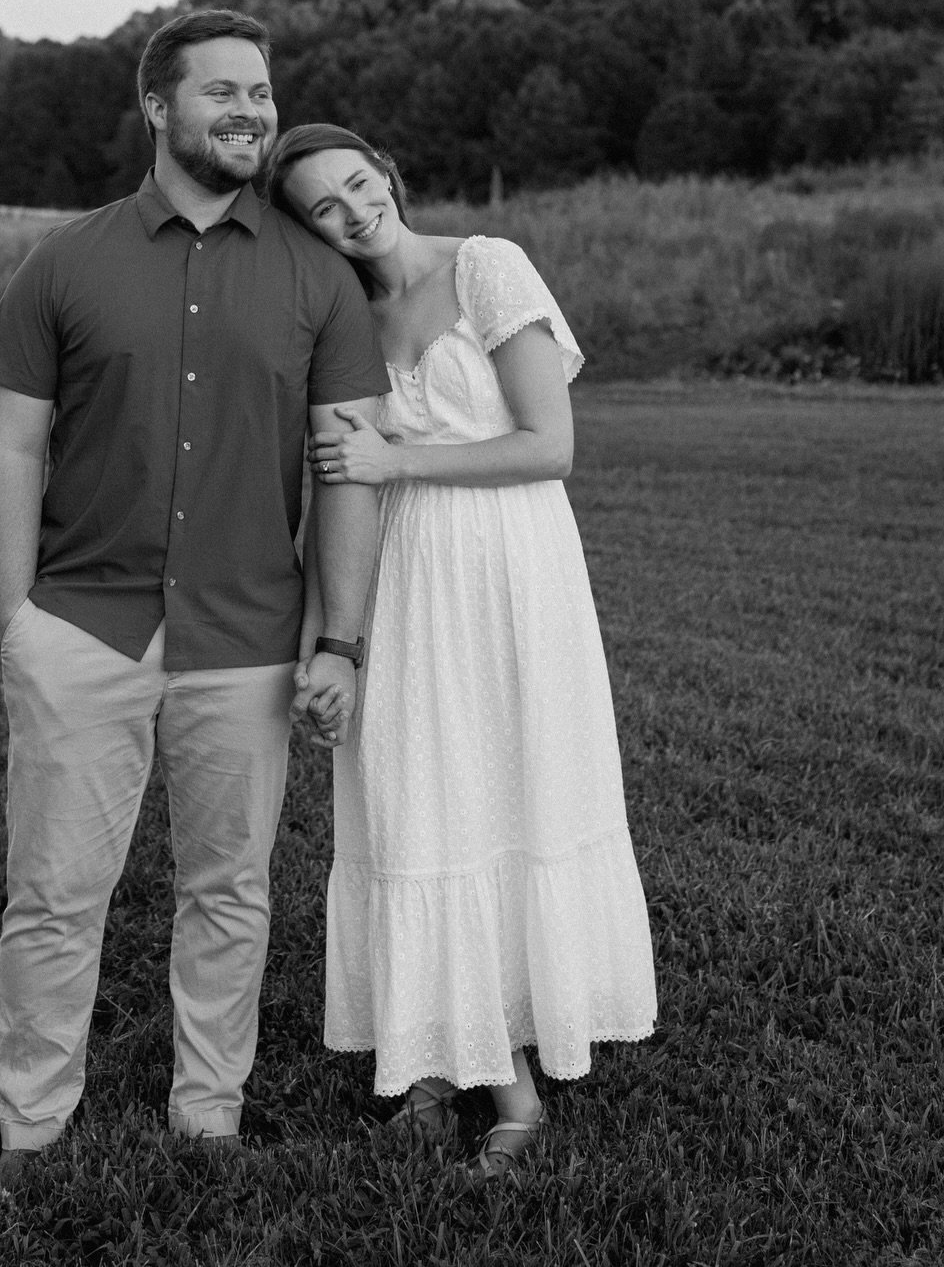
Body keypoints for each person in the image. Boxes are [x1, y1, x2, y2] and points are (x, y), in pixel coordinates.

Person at [0, 13, 390, 1184]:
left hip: (250, 638)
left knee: (230, 891)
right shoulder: (66, 259)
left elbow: (347, 467)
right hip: (82, 628)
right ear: (158, 107)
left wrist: (341, 639)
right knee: (54, 896)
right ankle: (31, 1126)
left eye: (260, 89)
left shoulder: (319, 274)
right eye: (222, 90)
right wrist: (19, 623)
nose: (250, 108)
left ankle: (210, 1116)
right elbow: (10, 449)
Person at [269, 123, 657, 1175]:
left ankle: (509, 1085)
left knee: (503, 795)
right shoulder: (343, 314)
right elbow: (333, 483)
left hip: (507, 568)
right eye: (324, 207)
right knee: (416, 802)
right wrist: (327, 640)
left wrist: (399, 454)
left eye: (360, 184)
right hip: (399, 581)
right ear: (307, 228)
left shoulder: (487, 264)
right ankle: (444, 1053)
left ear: (388, 171)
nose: (356, 212)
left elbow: (551, 443)